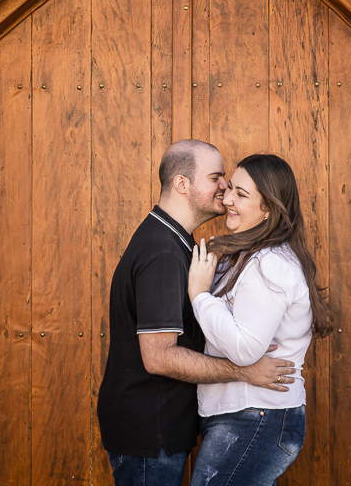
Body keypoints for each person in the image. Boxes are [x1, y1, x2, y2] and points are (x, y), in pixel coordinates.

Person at [97, 140, 297, 486]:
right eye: (216, 177)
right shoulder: (162, 251)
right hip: (150, 434)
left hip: (160, 429)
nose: (225, 187)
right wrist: (245, 372)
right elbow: (158, 358)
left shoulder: (175, 242)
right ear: (182, 184)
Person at [187, 153, 333, 485]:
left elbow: (244, 349)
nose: (227, 200)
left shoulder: (270, 264)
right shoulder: (248, 257)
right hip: (245, 415)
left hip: (257, 417)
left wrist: (200, 296)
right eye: (229, 190)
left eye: (241, 194)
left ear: (268, 208)